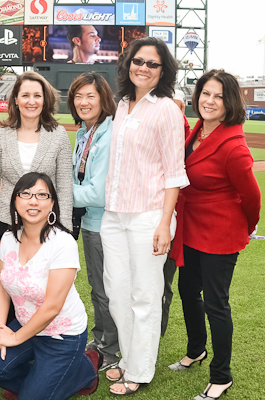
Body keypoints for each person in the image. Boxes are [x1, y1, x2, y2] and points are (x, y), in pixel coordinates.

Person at [100, 36, 189, 395]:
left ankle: (139, 370)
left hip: (149, 215)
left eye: (152, 64)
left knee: (145, 296)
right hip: (114, 215)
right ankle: (127, 358)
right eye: (138, 61)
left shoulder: (167, 108)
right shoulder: (122, 105)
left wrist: (165, 222)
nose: (144, 68)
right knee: (117, 294)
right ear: (128, 63)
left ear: (163, 70)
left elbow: (174, 171)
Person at [169, 70, 261, 400]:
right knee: (187, 289)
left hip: (220, 232)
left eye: (219, 96)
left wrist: (245, 228)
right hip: (191, 226)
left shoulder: (234, 146)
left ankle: (222, 376)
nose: (209, 101)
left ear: (230, 102)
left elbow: (252, 198)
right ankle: (196, 350)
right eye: (206, 93)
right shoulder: (199, 130)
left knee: (216, 304)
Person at [0, 172, 101, 399]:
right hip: (26, 327)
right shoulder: (8, 239)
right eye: (26, 194)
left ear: (52, 203)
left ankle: (83, 369)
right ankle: (44, 380)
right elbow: (2, 288)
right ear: (15, 200)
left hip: (62, 335)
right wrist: (1, 329)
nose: (33, 201)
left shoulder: (63, 243)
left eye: (42, 195)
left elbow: (53, 306)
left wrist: (13, 338)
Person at [0, 71, 72, 256]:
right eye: (25, 95)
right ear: (16, 99)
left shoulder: (59, 135)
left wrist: (64, 228)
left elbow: (64, 186)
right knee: (10, 280)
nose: (31, 101)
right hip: (7, 222)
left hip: (47, 223)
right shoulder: (0, 136)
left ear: (44, 100)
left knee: (45, 281)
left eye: (37, 96)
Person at [68, 72, 118, 370]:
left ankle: (110, 349)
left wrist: (57, 192)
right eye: (78, 96)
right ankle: (102, 338)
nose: (84, 102)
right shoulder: (85, 132)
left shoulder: (108, 131)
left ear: (103, 99)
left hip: (106, 224)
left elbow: (98, 192)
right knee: (97, 286)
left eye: (91, 96)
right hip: (90, 222)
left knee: (105, 290)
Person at [161, 88, 191, 337]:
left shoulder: (189, 139)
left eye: (178, 106)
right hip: (146, 214)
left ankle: (155, 336)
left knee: (163, 283)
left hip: (176, 223)